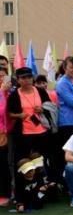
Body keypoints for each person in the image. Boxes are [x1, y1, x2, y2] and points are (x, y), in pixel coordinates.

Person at [7, 67, 55, 179]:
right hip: (24, 134)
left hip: (42, 131)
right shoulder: (14, 95)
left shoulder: (40, 91)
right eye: (23, 78)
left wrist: (42, 109)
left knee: (41, 160)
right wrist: (19, 115)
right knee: (24, 163)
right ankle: (25, 185)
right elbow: (9, 114)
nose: (27, 80)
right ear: (18, 80)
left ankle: (42, 183)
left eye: (29, 77)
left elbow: (50, 107)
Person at [0, 67, 12, 207]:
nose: (1, 79)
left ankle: (6, 193)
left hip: (9, 133)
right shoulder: (2, 93)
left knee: (4, 164)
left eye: (3, 76)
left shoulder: (11, 92)